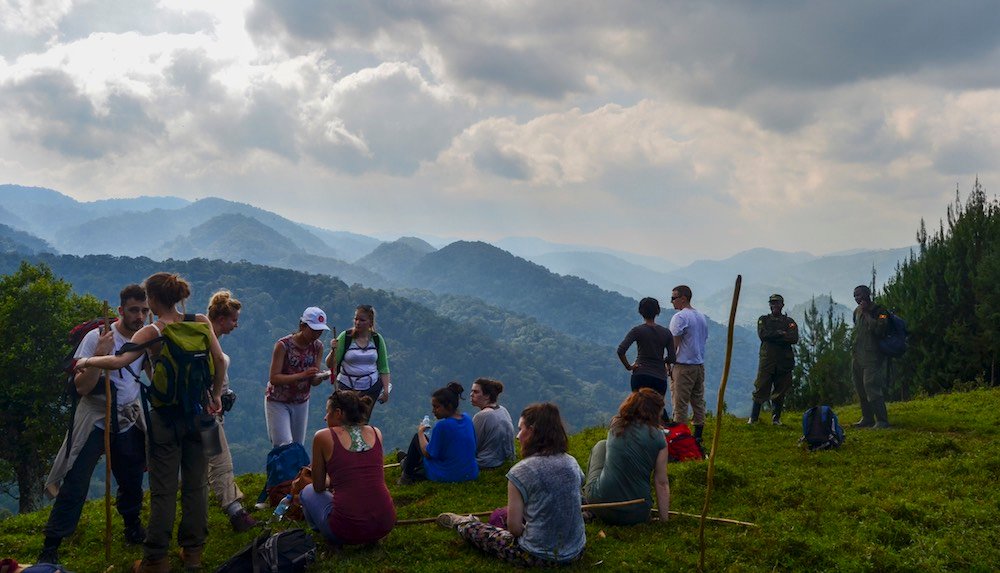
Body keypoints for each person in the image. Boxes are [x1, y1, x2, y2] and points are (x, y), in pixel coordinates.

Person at [75, 272, 226, 572]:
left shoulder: (151, 331)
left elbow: (118, 362)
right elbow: (220, 361)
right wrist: (217, 396)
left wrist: (87, 361)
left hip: (165, 420)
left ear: (154, 300)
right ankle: (193, 553)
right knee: (197, 485)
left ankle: (156, 560)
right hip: (201, 416)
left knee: (164, 489)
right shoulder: (200, 322)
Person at [38, 285, 150, 565]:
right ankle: (52, 543)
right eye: (134, 310)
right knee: (75, 480)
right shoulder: (96, 337)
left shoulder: (147, 339)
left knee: (132, 477)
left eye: (144, 310)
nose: (140, 316)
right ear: (121, 311)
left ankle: (132, 526)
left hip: (127, 417)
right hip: (95, 418)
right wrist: (100, 355)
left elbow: (154, 375)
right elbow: (82, 387)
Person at [437, 403, 586, 566]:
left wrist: (530, 534)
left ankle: (464, 523)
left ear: (532, 431)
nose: (518, 436)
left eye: (521, 429)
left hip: (538, 556)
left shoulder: (521, 471)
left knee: (481, 533)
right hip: (576, 552)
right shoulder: (571, 462)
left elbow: (514, 528)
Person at [301, 391, 396, 545]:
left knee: (307, 491)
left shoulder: (323, 436)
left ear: (338, 413)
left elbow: (318, 487)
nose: (325, 418)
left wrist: (328, 479)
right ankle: (371, 539)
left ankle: (321, 530)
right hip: (385, 523)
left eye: (327, 412)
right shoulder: (375, 432)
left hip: (347, 530)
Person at [205, 290, 257, 532]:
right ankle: (235, 512)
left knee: (205, 462)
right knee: (220, 461)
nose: (236, 325)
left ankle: (199, 510)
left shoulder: (206, 339)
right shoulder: (206, 342)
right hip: (206, 416)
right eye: (234, 319)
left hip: (207, 412)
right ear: (222, 318)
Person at [584, 389, 670, 525]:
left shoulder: (615, 425)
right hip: (637, 514)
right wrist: (664, 520)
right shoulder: (659, 438)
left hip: (601, 506)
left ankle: (588, 504)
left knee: (601, 446)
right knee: (603, 445)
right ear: (654, 411)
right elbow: (661, 482)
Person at [266, 306, 329, 448]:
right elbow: (274, 378)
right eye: (314, 330)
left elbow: (313, 380)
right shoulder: (283, 345)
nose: (317, 334)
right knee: (283, 444)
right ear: (302, 325)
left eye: (320, 331)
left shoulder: (318, 347)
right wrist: (302, 375)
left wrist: (321, 377)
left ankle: (296, 471)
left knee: (297, 445)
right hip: (278, 400)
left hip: (301, 401)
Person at [398, 382, 478, 484]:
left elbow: (428, 454)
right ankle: (407, 461)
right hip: (470, 473)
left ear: (448, 405)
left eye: (436, 407)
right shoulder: (467, 418)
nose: (433, 411)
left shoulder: (442, 426)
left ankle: (406, 475)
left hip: (449, 475)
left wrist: (420, 432)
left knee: (417, 438)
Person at [326, 304, 392, 413]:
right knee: (346, 420)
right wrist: (333, 350)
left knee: (362, 421)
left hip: (370, 389)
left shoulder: (377, 339)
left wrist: (385, 391)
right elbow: (330, 364)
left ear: (370, 322)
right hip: (346, 388)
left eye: (362, 320)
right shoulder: (345, 337)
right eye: (356, 319)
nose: (357, 322)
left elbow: (383, 367)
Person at [748, 294, 799, 425]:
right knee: (760, 387)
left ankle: (776, 418)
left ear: (782, 305)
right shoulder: (764, 320)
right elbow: (763, 335)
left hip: (784, 361)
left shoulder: (789, 321)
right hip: (767, 361)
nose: (775, 306)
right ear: (769, 305)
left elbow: (793, 338)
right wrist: (781, 333)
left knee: (780, 389)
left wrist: (774, 335)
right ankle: (753, 418)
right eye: (772, 303)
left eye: (777, 303)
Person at [668, 285, 709, 444]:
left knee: (680, 403)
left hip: (683, 366)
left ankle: (681, 438)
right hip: (699, 365)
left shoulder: (680, 317)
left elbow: (674, 344)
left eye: (673, 298)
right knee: (697, 401)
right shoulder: (701, 316)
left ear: (683, 298)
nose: (671, 301)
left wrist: (669, 363)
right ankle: (698, 435)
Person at [617, 297, 676, 402]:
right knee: (656, 410)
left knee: (638, 408)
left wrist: (629, 366)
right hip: (659, 377)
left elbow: (621, 350)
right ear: (657, 311)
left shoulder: (637, 330)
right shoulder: (666, 333)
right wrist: (664, 361)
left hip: (640, 375)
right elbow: (672, 358)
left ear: (641, 312)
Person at [851, 285, 891, 428]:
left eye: (860, 295)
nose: (857, 298)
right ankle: (867, 418)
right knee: (860, 387)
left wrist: (867, 313)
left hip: (872, 356)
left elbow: (880, 330)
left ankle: (882, 420)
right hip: (857, 355)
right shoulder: (856, 311)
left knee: (871, 386)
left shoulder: (880, 311)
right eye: (855, 296)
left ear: (868, 294)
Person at [470, 377, 516, 469]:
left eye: (476, 392)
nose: (471, 395)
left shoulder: (482, 416)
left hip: (486, 463)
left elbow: (473, 446)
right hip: (506, 460)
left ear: (487, 395)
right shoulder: (503, 410)